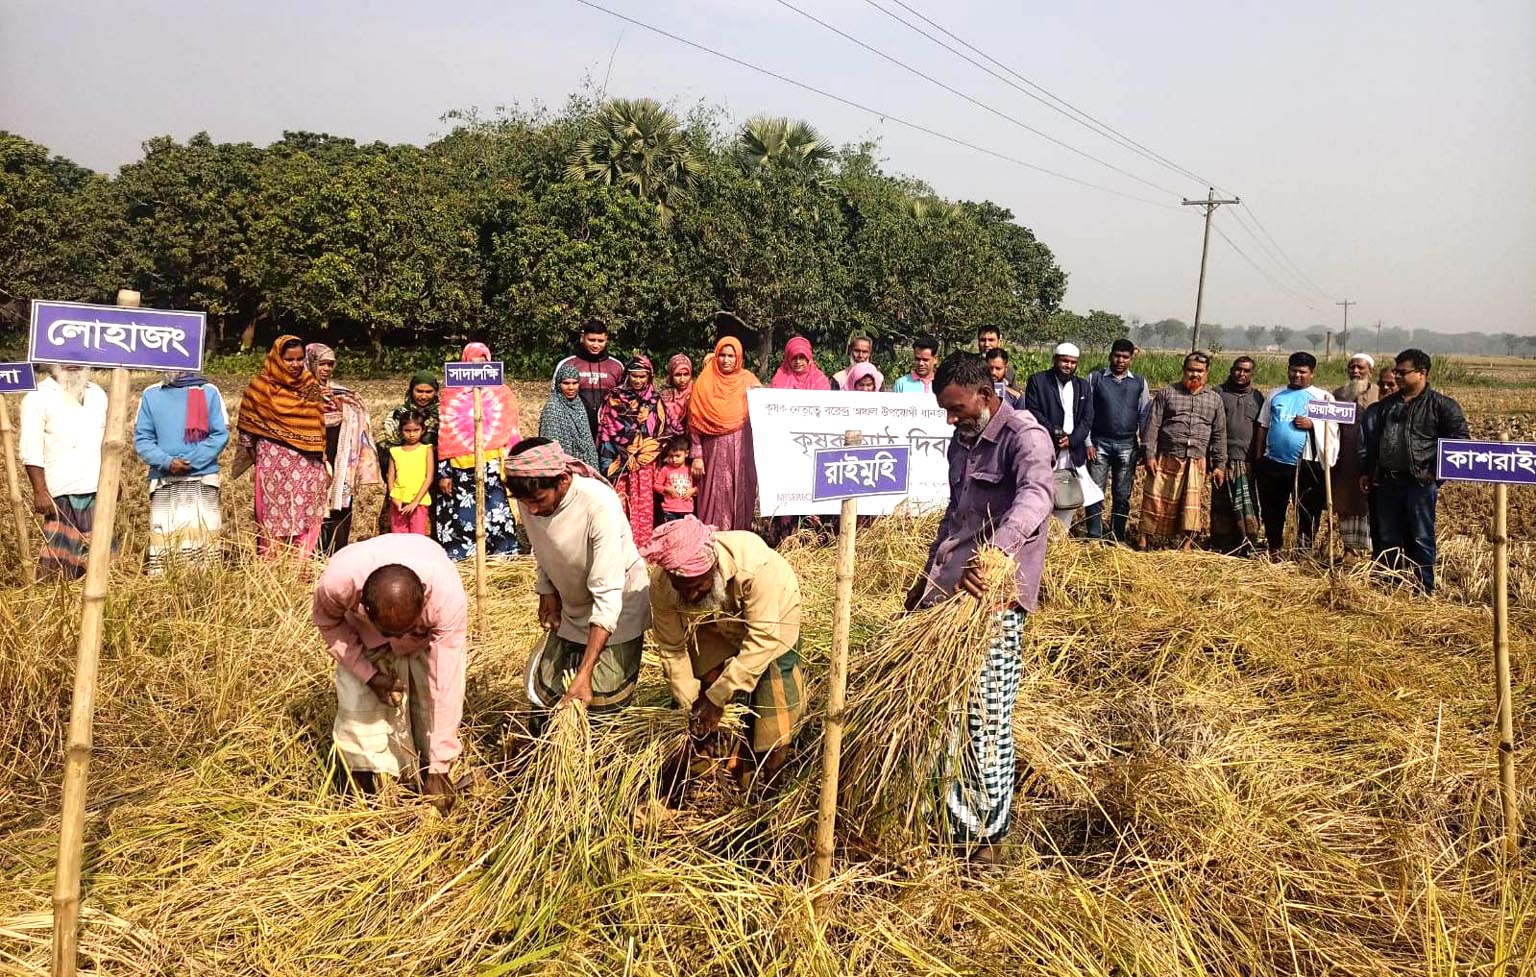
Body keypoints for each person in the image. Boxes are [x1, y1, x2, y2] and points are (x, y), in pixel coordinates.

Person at [905, 352, 1053, 860]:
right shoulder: (961, 442)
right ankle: (947, 820)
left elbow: (1036, 498)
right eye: (945, 411)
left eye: (957, 408)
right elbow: (955, 516)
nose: (951, 419)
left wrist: (997, 552)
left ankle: (990, 835)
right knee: (944, 712)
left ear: (987, 395)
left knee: (986, 716)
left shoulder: (1024, 436)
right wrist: (924, 580)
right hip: (948, 593)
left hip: (995, 598)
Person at [642, 515, 805, 787]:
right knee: (703, 687)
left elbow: (762, 639)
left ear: (715, 567)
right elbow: (672, 648)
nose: (691, 596)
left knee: (773, 706)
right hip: (713, 619)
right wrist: (691, 703)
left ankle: (771, 782)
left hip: (773, 618)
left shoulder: (754, 567)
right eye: (683, 589)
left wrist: (716, 699)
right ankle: (709, 765)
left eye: (698, 586)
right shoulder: (663, 584)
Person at [312, 533, 467, 808]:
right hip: (365, 635)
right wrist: (369, 676)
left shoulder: (445, 600)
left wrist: (440, 767)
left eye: (405, 629)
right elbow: (328, 623)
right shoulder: (337, 584)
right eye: (388, 632)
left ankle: (423, 774)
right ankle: (359, 798)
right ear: (363, 607)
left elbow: (446, 682)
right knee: (358, 718)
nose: (396, 641)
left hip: (422, 636)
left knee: (426, 711)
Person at [507, 439, 652, 715]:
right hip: (572, 607)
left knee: (600, 703)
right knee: (546, 696)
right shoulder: (531, 499)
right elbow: (543, 545)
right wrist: (546, 588)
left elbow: (609, 594)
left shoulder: (598, 505)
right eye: (525, 503)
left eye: (538, 501)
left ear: (562, 480)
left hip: (618, 606)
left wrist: (585, 673)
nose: (532, 511)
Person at [1360, 349, 1468, 593]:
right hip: (1388, 482)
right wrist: (1369, 471)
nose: (1397, 376)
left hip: (1419, 483)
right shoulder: (1386, 406)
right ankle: (1389, 585)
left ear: (1422, 373)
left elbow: (1459, 443)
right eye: (1396, 371)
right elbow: (1374, 442)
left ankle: (1423, 589)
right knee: (1388, 538)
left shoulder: (1442, 406)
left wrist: (1436, 474)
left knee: (1420, 538)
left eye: (1402, 372)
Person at [233, 336, 328, 560]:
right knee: (272, 517)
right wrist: (253, 454)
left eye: (299, 359)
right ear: (276, 359)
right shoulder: (260, 387)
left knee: (305, 516)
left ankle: (301, 568)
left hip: (306, 466)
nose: (295, 364)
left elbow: (318, 423)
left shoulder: (310, 386)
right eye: (289, 359)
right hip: (272, 465)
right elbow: (247, 428)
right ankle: (271, 568)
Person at [132, 370, 230, 571]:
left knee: (204, 545)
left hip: (202, 479)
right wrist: (167, 462)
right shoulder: (151, 394)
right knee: (165, 545)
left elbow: (220, 434)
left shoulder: (209, 392)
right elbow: (143, 439)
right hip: (164, 481)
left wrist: (190, 462)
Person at [19, 364, 109, 579]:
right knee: (59, 564)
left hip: (96, 487)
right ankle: (59, 605)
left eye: (77, 358)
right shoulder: (38, 396)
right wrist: (40, 491)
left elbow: (106, 442)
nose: (72, 364)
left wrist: (114, 479)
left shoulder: (97, 394)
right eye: (64, 359)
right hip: (60, 490)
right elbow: (30, 447)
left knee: (99, 558)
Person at [435, 342, 520, 561]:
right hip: (460, 466)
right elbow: (446, 433)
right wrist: (444, 473)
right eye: (473, 361)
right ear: (465, 363)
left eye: (482, 362)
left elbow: (510, 427)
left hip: (494, 463)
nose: (477, 367)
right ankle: (467, 561)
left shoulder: (502, 393)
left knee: (498, 512)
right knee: (464, 516)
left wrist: (513, 463)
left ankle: (502, 559)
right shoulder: (451, 395)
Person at [1138, 352, 1227, 551]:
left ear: (1206, 373)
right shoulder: (1167, 393)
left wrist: (1220, 465)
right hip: (1167, 456)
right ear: (1184, 371)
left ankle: (1186, 544)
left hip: (1196, 459)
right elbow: (1152, 426)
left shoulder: (1214, 400)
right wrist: (1149, 455)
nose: (1194, 374)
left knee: (1191, 505)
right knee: (1155, 499)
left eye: (1199, 371)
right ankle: (1144, 540)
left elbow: (1219, 435)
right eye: (1191, 370)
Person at [1255, 352, 1339, 555]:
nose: (1297, 375)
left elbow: (1333, 430)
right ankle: (1274, 547)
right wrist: (1259, 457)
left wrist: (1313, 425)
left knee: (1307, 510)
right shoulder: (1275, 395)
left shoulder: (1323, 397)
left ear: (1312, 373)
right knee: (1273, 509)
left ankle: (1303, 551)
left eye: (1302, 372)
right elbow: (1263, 425)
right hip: (1274, 463)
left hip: (1307, 465)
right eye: (1293, 370)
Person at [307, 344, 379, 557]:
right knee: (313, 505)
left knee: (340, 505)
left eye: (330, 364)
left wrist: (338, 403)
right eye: (322, 364)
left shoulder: (341, 392)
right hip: (313, 455)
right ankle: (313, 555)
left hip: (341, 456)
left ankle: (336, 556)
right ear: (311, 363)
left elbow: (358, 415)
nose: (327, 369)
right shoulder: (295, 394)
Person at [688, 336, 761, 532]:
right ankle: (713, 543)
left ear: (738, 358)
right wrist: (697, 456)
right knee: (715, 495)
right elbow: (694, 422)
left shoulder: (748, 380)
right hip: (713, 450)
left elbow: (764, 407)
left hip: (744, 450)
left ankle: (740, 542)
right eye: (722, 355)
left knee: (742, 492)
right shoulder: (705, 381)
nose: (726, 360)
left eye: (731, 355)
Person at [597, 355, 669, 549]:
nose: (638, 380)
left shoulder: (654, 400)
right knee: (619, 501)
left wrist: (643, 448)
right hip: (618, 459)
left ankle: (641, 545)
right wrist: (624, 446)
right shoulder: (615, 396)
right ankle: (618, 545)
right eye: (634, 376)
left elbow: (662, 429)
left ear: (649, 377)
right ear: (627, 375)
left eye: (642, 376)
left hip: (644, 461)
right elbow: (606, 427)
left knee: (643, 502)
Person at [1024, 342, 1097, 531]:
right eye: (1065, 361)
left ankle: (1060, 539)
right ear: (1055, 360)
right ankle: (1039, 536)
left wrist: (1072, 440)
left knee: (1068, 495)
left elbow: (1087, 419)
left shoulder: (1083, 386)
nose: (1069, 366)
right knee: (1042, 493)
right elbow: (1034, 412)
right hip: (1047, 448)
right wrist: (1055, 433)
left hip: (1072, 451)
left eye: (1073, 362)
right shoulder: (1038, 381)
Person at [1084, 339, 1150, 542]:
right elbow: (1085, 412)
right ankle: (1094, 536)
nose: (1120, 360)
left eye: (1125, 357)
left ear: (1131, 359)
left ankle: (1116, 537)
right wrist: (1087, 442)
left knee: (1122, 495)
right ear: (1110, 355)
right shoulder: (1095, 379)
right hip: (1098, 444)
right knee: (1094, 492)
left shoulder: (1139, 382)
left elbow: (1144, 415)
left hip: (1127, 445)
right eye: (1117, 356)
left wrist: (1144, 446)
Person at [1211, 356, 1267, 555]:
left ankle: (1247, 545)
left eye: (1246, 371)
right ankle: (1222, 545)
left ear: (1252, 374)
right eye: (1237, 369)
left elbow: (1262, 429)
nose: (1240, 374)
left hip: (1247, 461)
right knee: (1222, 504)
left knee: (1247, 504)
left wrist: (1257, 459)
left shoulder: (1258, 397)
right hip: (1222, 459)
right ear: (1231, 369)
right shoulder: (1217, 393)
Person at [374, 370, 440, 534]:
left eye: (428, 392)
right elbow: (385, 447)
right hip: (402, 485)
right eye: (419, 391)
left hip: (434, 481)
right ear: (411, 390)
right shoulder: (397, 416)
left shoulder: (444, 415)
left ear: (436, 392)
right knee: (399, 530)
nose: (423, 396)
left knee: (426, 527)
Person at [1331, 353, 1380, 558]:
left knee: (1372, 504)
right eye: (1352, 367)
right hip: (1345, 459)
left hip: (1372, 460)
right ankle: (1349, 550)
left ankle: (1372, 552)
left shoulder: (1380, 393)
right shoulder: (1338, 394)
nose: (1356, 371)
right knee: (1347, 503)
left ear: (1370, 370)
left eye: (1360, 367)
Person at [552, 318, 626, 439]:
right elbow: (555, 397)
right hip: (574, 429)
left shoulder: (617, 366)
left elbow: (624, 400)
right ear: (583, 338)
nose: (596, 345)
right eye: (591, 340)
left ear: (606, 339)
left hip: (608, 430)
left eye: (600, 341)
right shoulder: (567, 364)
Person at [1358, 366, 1400, 558]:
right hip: (1376, 480)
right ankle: (1381, 568)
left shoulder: (1410, 411)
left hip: (1403, 482)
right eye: (1382, 384)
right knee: (1378, 529)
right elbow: (1363, 446)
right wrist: (1365, 472)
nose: (1385, 388)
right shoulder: (1372, 412)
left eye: (1390, 384)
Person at [539, 363, 601, 471]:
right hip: (564, 468)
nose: (571, 387)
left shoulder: (579, 404)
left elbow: (588, 441)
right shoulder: (552, 408)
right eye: (566, 383)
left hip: (584, 465)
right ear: (558, 384)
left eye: (575, 383)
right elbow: (551, 446)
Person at [386, 412, 434, 535]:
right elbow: (390, 477)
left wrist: (415, 502)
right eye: (407, 430)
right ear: (401, 431)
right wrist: (394, 497)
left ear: (423, 430)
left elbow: (429, 477)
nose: (412, 434)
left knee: (417, 536)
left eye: (416, 430)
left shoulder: (426, 449)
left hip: (419, 501)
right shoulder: (395, 451)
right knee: (399, 536)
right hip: (399, 502)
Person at [654, 436, 696, 522]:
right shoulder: (666, 469)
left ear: (687, 454)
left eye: (677, 456)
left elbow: (700, 487)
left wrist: (693, 490)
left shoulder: (690, 469)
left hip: (687, 510)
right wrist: (666, 489)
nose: (674, 459)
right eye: (671, 456)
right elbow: (656, 485)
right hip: (669, 510)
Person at [659, 354, 694, 438]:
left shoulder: (696, 392)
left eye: (686, 374)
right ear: (671, 375)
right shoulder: (665, 394)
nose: (682, 380)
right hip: (668, 440)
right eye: (677, 375)